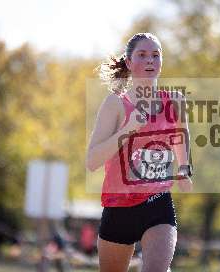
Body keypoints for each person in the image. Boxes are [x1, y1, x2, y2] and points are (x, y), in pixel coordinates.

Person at [86, 33, 193, 272]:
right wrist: (127, 130)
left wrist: (185, 168)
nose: (150, 61)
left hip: (158, 203)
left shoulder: (175, 101)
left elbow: (180, 138)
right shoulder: (115, 104)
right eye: (142, 55)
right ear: (129, 61)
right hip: (118, 207)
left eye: (156, 55)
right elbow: (92, 161)